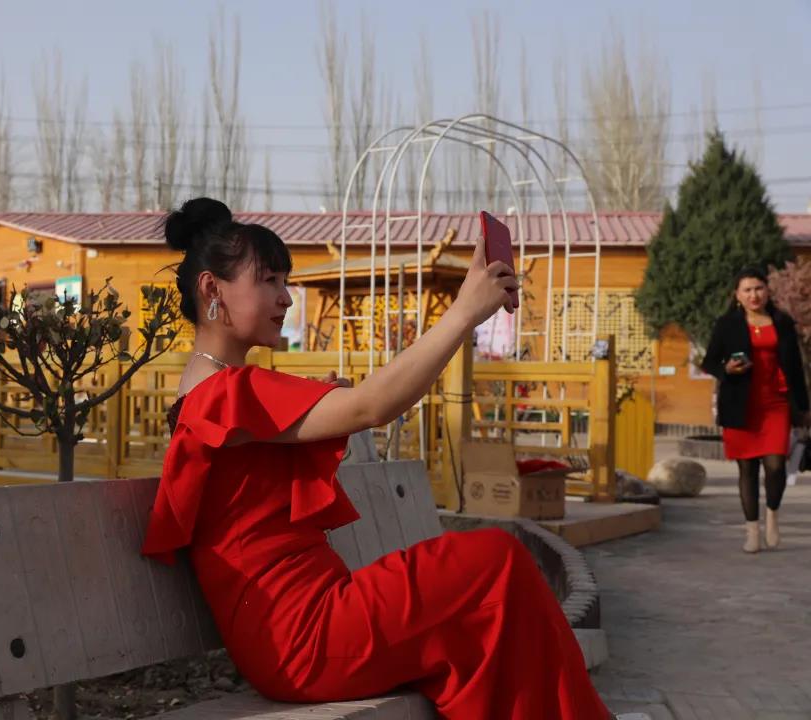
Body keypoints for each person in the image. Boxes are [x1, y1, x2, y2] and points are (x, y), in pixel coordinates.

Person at [142, 198, 624, 719]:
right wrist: (463, 312)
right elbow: (373, 406)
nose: (285, 298)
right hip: (304, 635)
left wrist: (321, 408)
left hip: (302, 626)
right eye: (269, 281)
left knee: (485, 613)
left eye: (286, 281)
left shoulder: (212, 391)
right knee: (496, 562)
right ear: (212, 289)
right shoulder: (225, 394)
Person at [703, 267, 810, 553]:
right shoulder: (727, 324)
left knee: (775, 465)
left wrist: (804, 407)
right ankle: (752, 530)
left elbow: (796, 368)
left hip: (776, 403)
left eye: (759, 288)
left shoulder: (782, 322)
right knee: (747, 469)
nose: (754, 295)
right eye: (747, 290)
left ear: (767, 290)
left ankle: (772, 514)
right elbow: (709, 362)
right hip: (740, 403)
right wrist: (726, 369)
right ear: (737, 295)